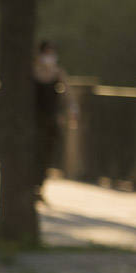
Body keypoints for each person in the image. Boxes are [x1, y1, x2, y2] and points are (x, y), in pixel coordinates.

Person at [32, 40, 76, 204]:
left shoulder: (58, 73)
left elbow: (69, 94)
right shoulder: (31, 73)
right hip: (33, 122)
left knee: (47, 154)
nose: (49, 57)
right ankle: (30, 186)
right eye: (47, 53)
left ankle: (39, 187)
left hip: (50, 122)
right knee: (32, 154)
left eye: (52, 53)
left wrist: (73, 110)